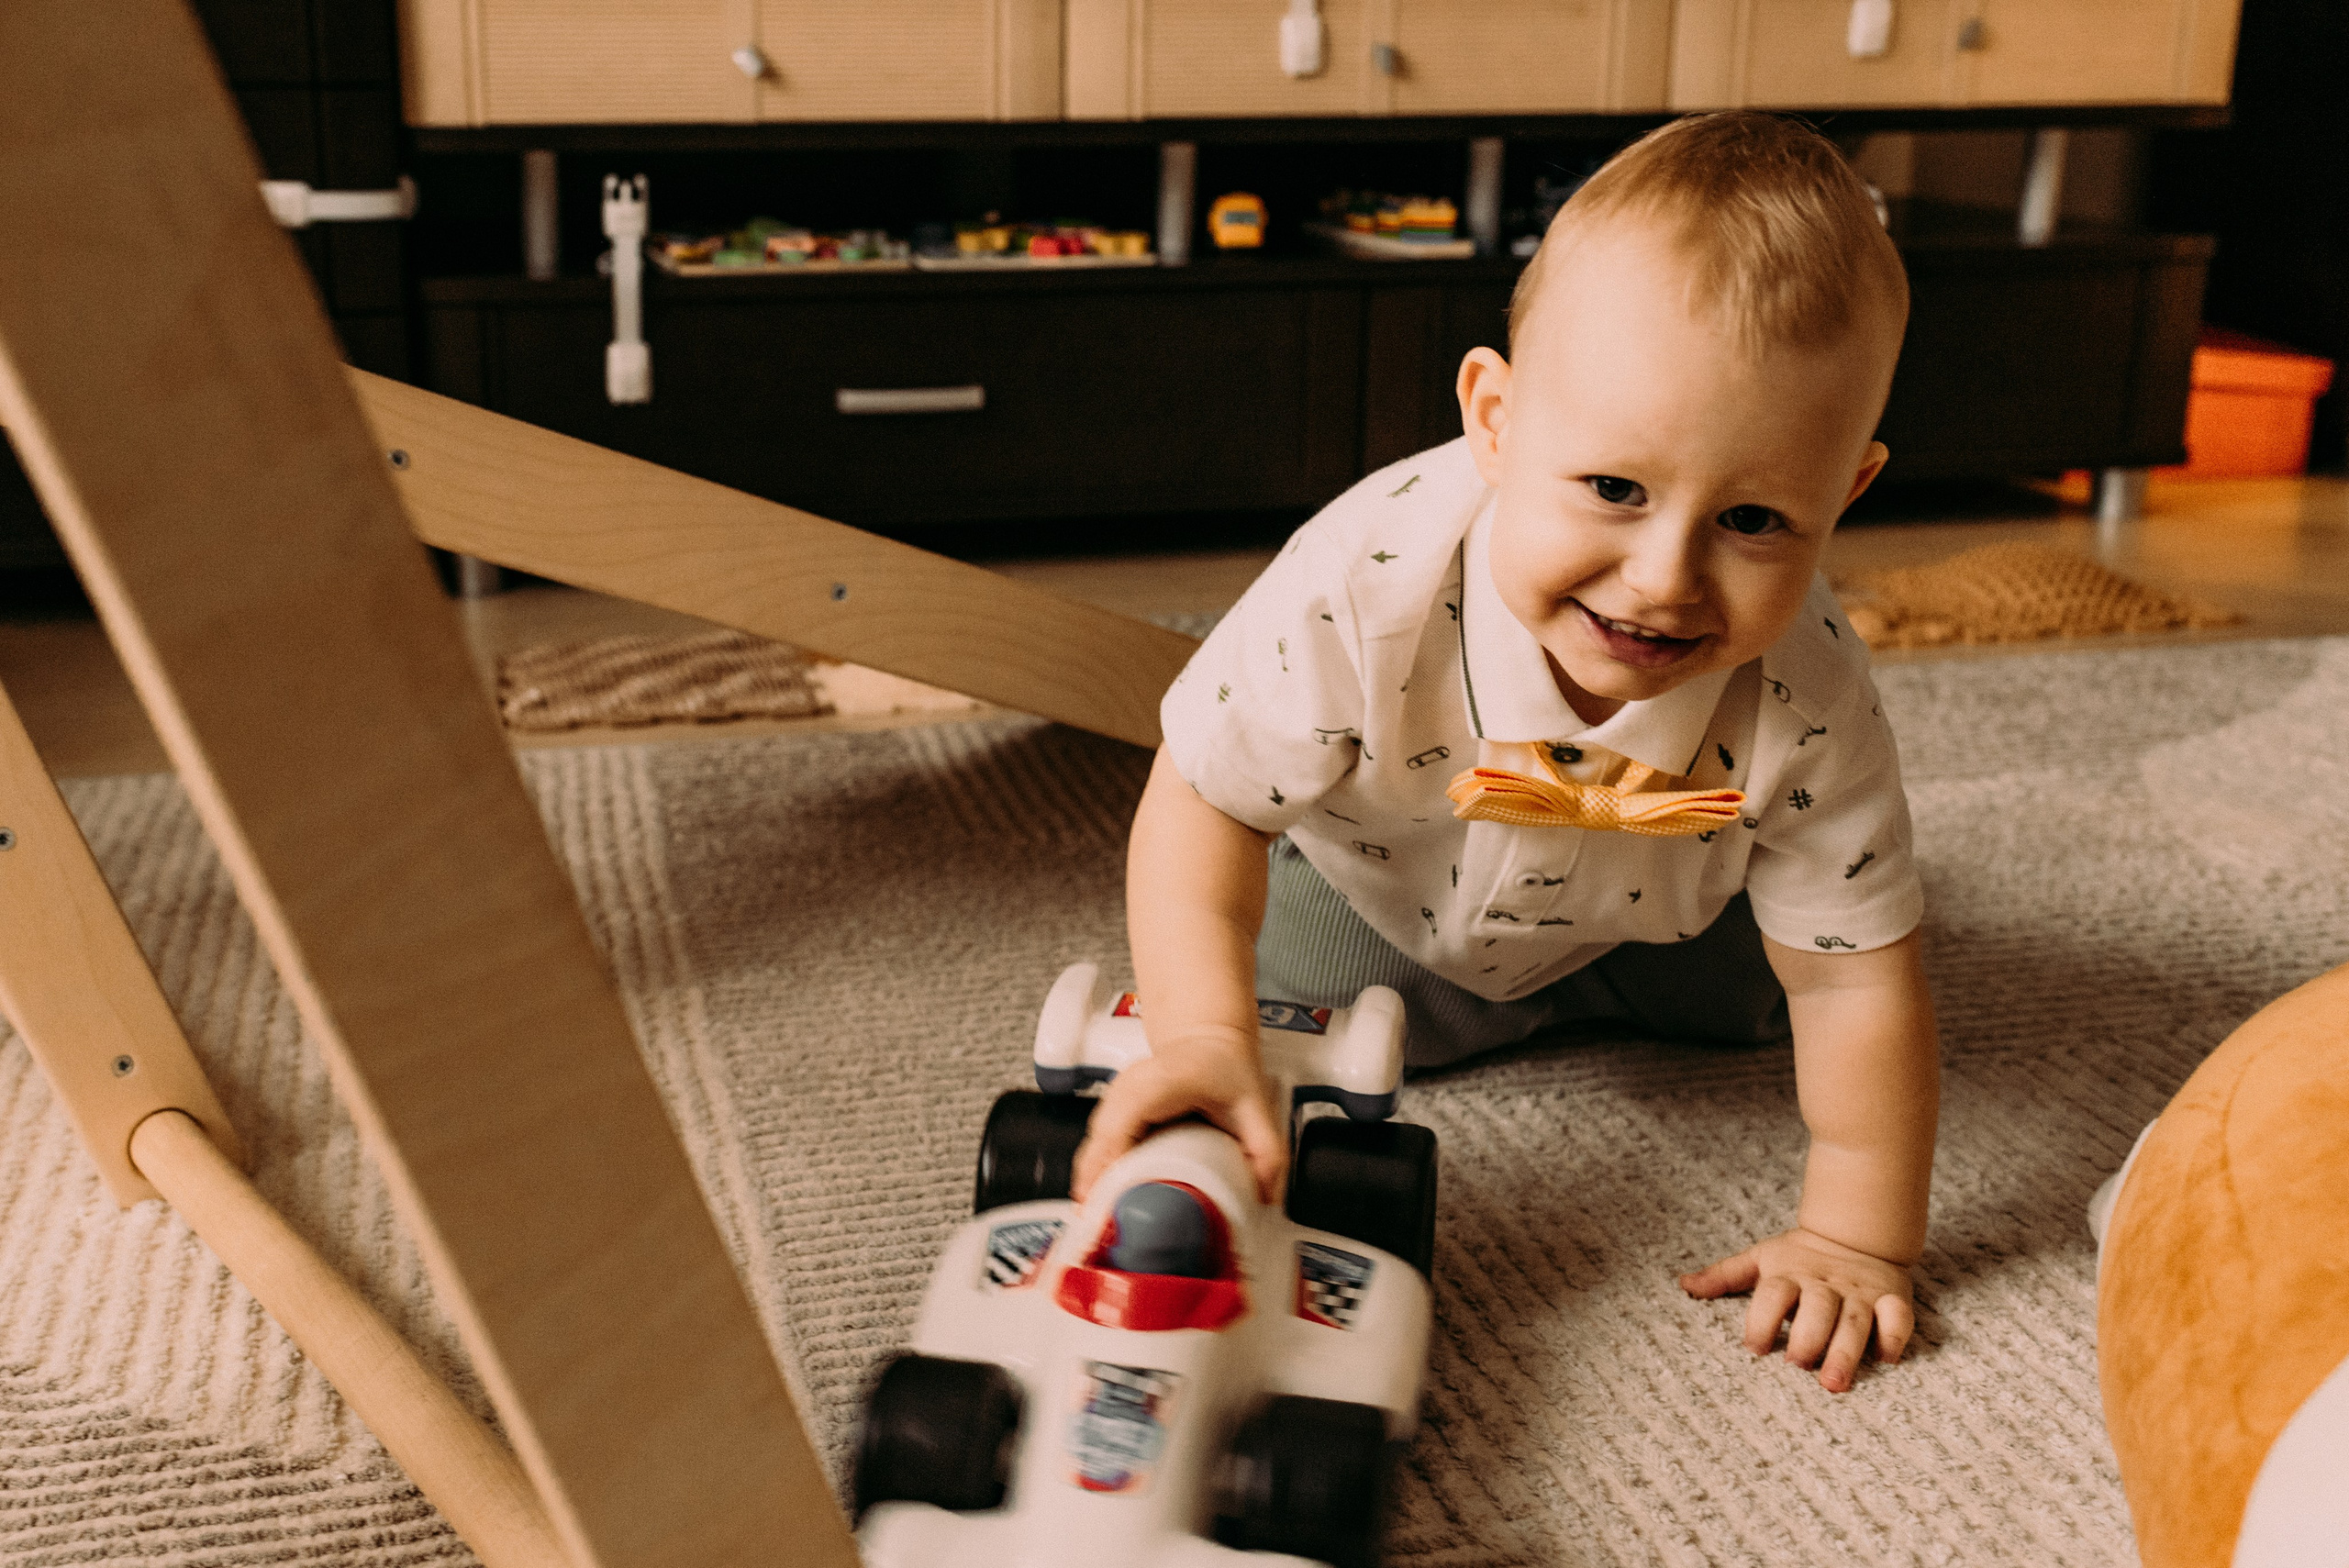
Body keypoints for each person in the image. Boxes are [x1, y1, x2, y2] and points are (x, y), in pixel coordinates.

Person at [1072, 111, 1939, 1396]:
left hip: (1665, 909)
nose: (1662, 579)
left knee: (1796, 986)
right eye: (1614, 489)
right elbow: (1206, 798)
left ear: (1846, 494)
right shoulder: (1363, 584)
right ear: (1495, 415)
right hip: (1389, 881)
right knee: (1264, 1005)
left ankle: (1599, 981)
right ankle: (1422, 1001)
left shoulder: (1809, 688)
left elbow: (1858, 985)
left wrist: (1856, 1236)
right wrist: (1201, 1037)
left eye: (1754, 519)